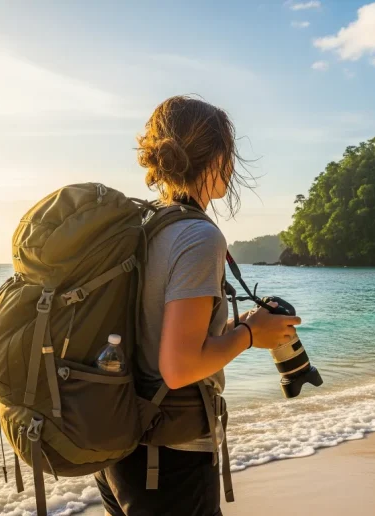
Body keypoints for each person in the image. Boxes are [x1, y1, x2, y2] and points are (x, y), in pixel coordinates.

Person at [94, 95, 302, 516]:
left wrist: (236, 326)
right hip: (170, 459)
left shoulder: (145, 224)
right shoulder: (198, 238)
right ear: (218, 157)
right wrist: (247, 336)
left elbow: (154, 333)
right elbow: (179, 367)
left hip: (119, 452)